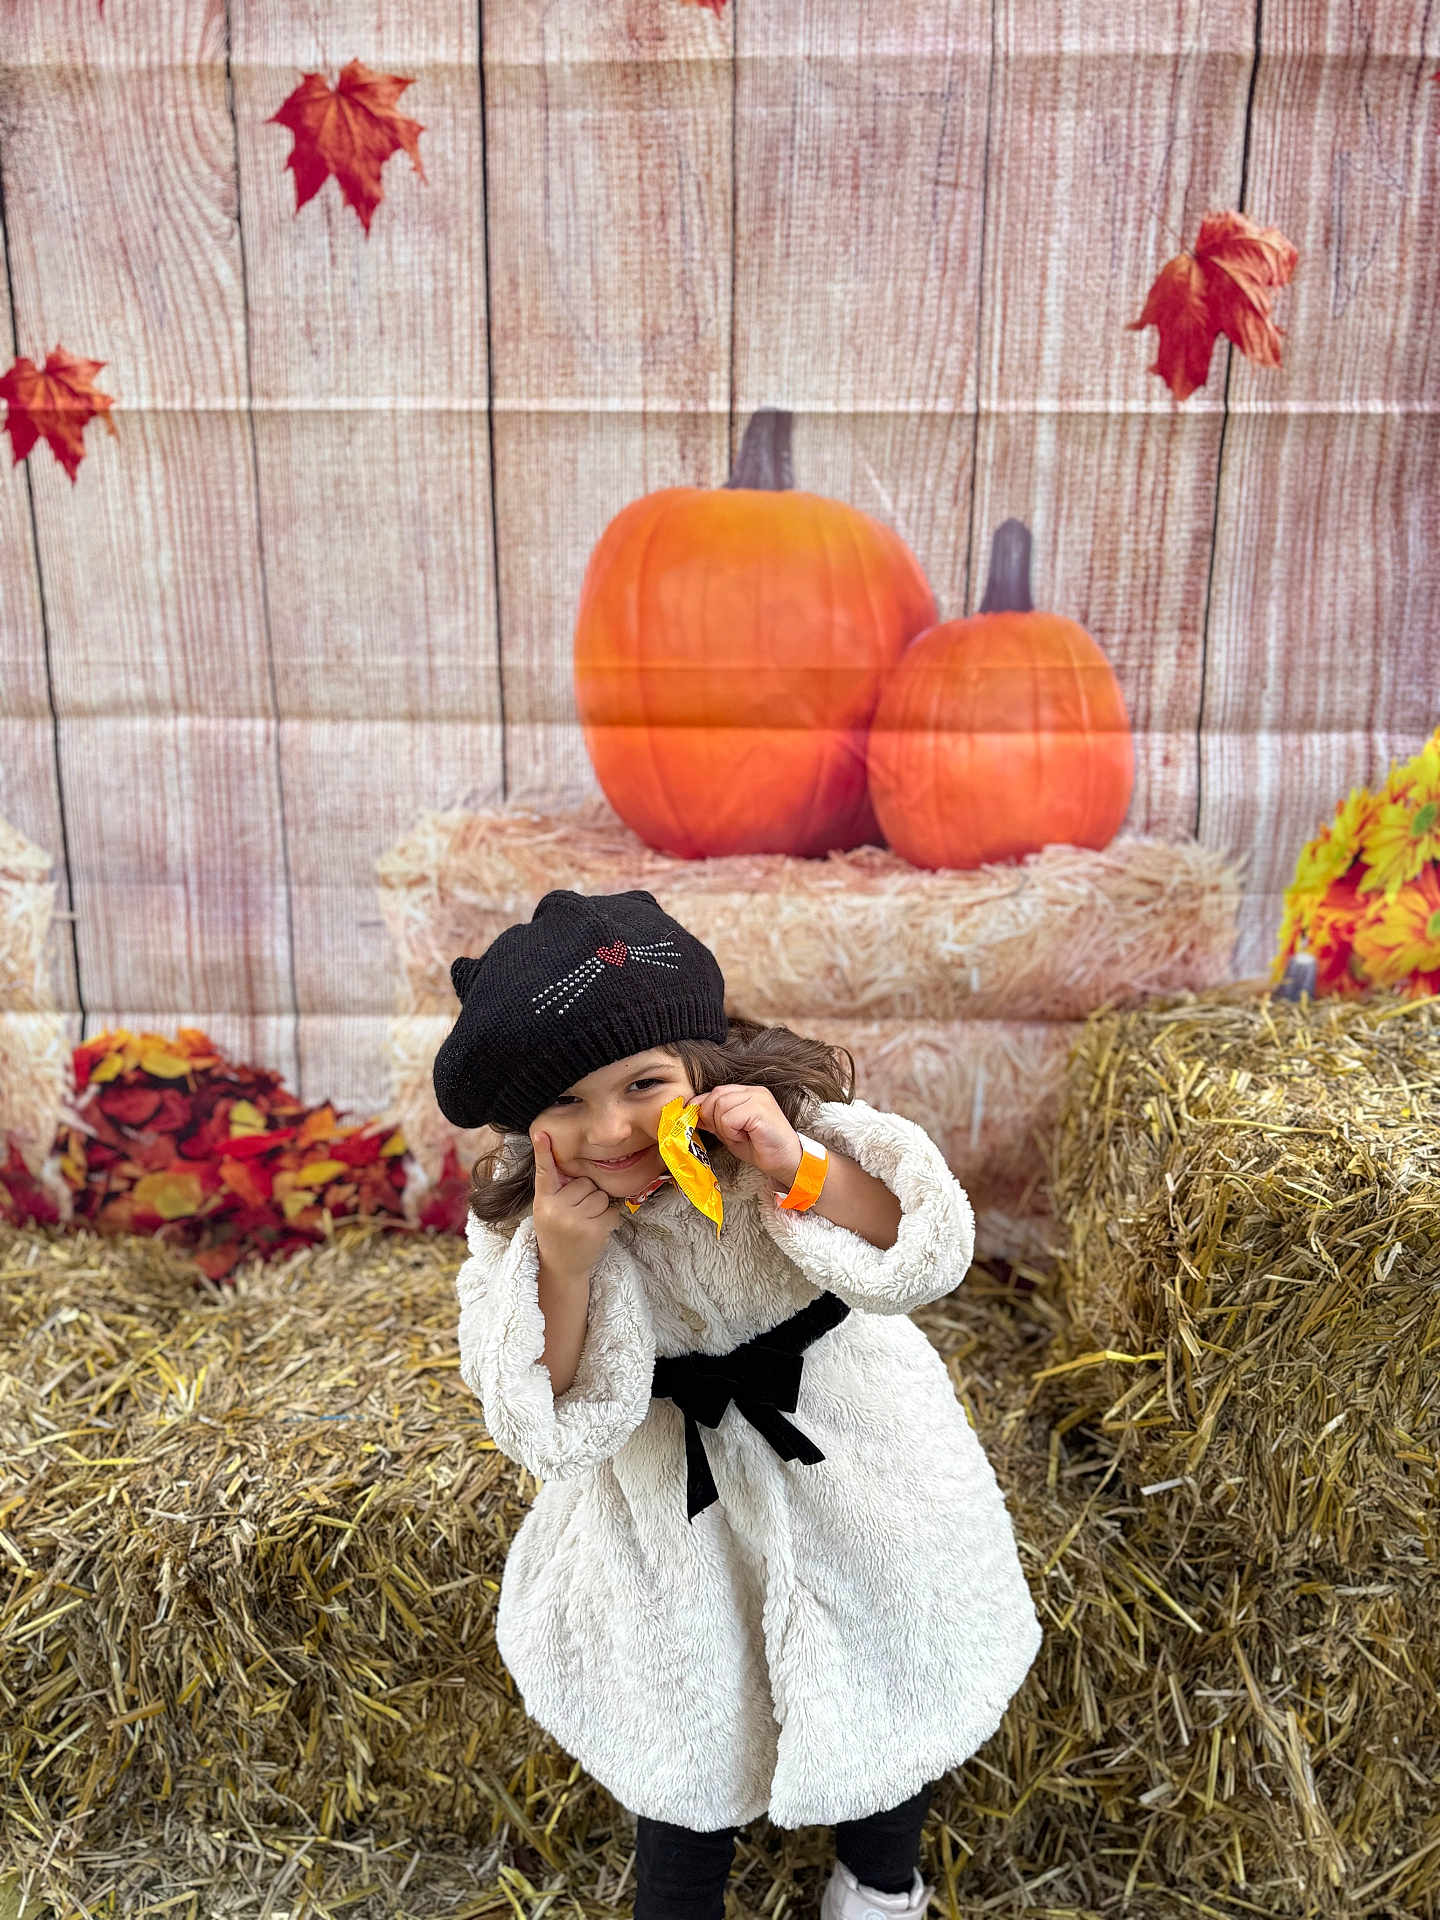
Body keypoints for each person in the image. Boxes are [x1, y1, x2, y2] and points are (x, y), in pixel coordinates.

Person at [432, 888, 1043, 1920]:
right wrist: (568, 1268)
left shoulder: (778, 1127)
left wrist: (796, 1168)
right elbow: (538, 1413)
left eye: (642, 1083)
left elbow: (919, 1246)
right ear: (522, 1126)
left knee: (896, 1658)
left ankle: (879, 1883)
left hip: (859, 1458)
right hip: (675, 1503)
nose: (613, 1127)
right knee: (688, 1711)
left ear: (699, 1065)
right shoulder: (531, 1231)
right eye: (566, 1106)